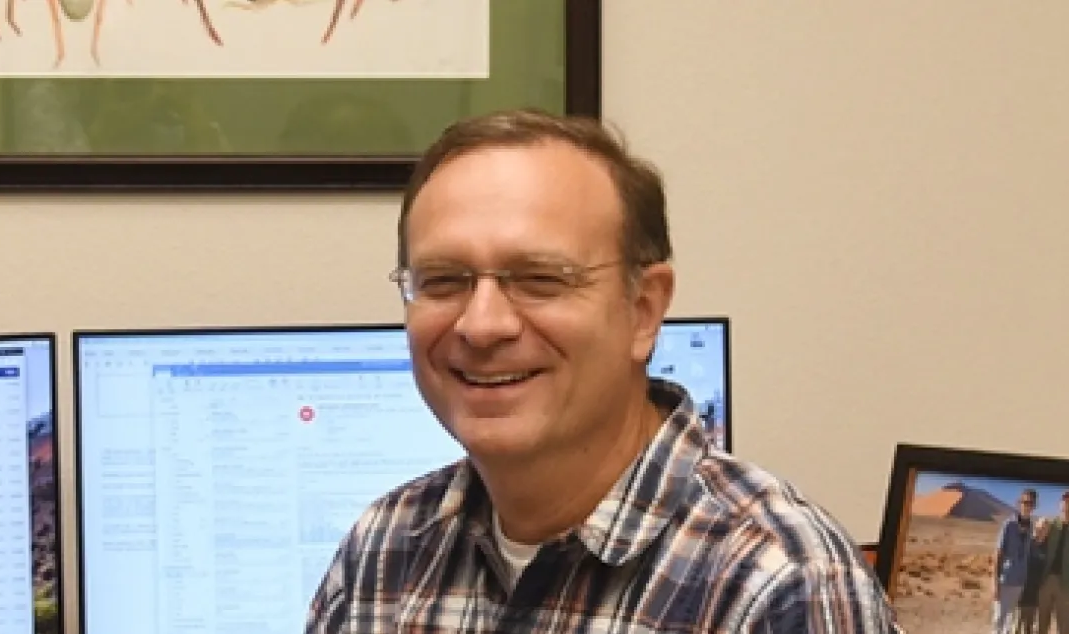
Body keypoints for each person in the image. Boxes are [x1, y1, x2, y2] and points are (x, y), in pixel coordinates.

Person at [301, 108, 900, 633]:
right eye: (444, 281)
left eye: (539, 279)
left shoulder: (777, 585)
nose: (481, 325)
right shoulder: (385, 550)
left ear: (643, 310)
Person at [1036, 491, 1069, 634]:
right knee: (1042, 620)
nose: (1067, 505)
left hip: (1065, 580)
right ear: (1060, 505)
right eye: (1064, 501)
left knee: (1064, 622)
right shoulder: (1052, 524)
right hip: (1046, 579)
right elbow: (1039, 544)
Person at [994, 489, 1039, 634]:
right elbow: (998, 554)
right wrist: (995, 583)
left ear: (1034, 506)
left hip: (1020, 582)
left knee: (1010, 620)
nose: (1027, 505)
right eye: (1024, 502)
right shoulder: (1008, 525)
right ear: (1019, 503)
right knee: (998, 619)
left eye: (1030, 503)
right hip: (1005, 580)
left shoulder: (1031, 526)